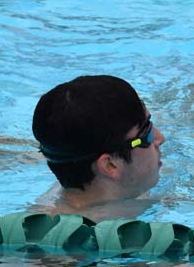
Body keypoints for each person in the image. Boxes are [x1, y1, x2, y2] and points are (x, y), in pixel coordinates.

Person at [32, 74, 166, 215]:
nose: (160, 138)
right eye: (147, 135)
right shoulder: (108, 232)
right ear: (110, 165)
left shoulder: (67, 156)